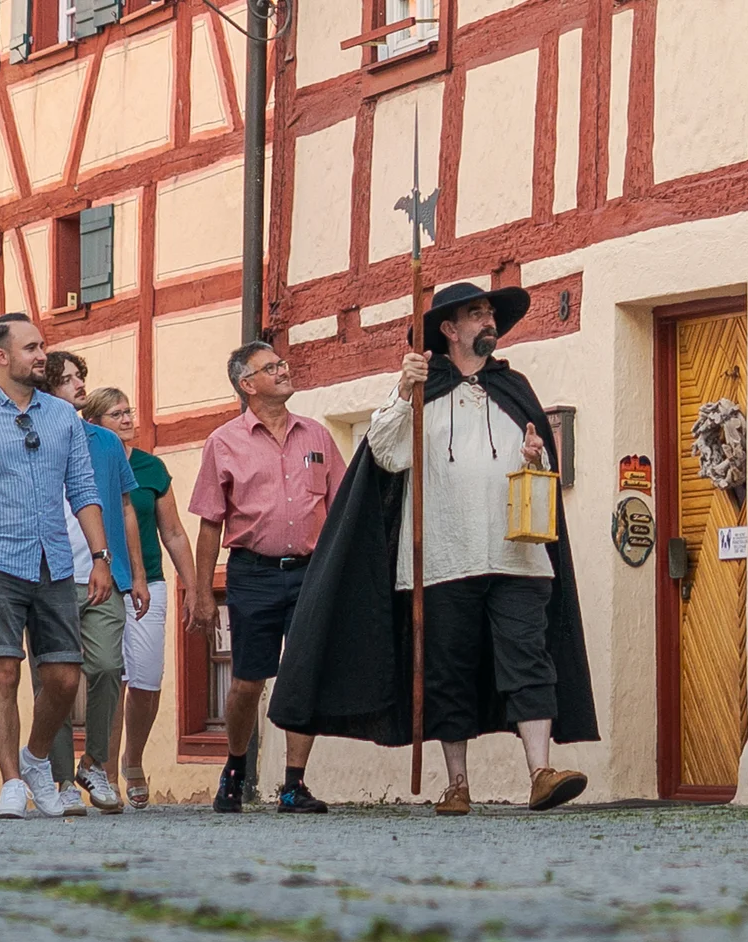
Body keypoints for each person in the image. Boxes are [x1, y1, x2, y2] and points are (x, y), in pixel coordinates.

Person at [270, 282, 599, 816]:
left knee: (530, 661)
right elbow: (384, 452)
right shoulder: (422, 389)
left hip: (518, 557)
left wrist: (536, 456)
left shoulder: (513, 387)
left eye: (490, 313)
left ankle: (540, 773)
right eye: (476, 313)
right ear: (449, 329)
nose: (488, 321)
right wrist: (404, 391)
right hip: (443, 559)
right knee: (448, 671)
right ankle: (457, 783)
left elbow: (539, 470)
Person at [0, 313, 117, 820]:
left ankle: (35, 758)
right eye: (31, 348)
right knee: (2, 671)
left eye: (42, 346)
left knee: (64, 676)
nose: (42, 356)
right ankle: (12, 782)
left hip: (52, 561)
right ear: (1, 356)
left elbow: (84, 490)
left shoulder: (63, 417)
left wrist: (100, 557)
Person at [188, 340, 346, 814]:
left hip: (310, 573)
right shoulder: (223, 442)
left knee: (304, 675)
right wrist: (202, 593)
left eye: (281, 363)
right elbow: (210, 524)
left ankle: (294, 784)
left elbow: (340, 509)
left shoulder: (317, 436)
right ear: (248, 384)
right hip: (252, 573)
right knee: (247, 681)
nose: (283, 370)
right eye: (271, 367)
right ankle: (235, 767)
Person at [36, 351, 148, 814]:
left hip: (105, 577)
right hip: (49, 577)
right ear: (46, 389)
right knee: (55, 681)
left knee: (106, 668)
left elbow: (126, 508)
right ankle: (62, 779)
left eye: (80, 376)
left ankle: (95, 762)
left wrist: (137, 574)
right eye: (68, 380)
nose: (80, 385)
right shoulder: (31, 437)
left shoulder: (105, 442)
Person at [85, 386, 197, 809]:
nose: (128, 419)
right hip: (102, 579)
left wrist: (194, 588)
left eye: (128, 412)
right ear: (94, 424)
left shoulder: (151, 467)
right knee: (111, 675)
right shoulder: (85, 464)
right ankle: (106, 772)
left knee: (147, 679)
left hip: (148, 580)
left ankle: (133, 757)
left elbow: (174, 532)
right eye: (116, 414)